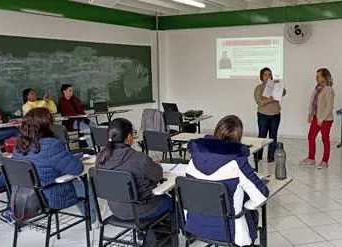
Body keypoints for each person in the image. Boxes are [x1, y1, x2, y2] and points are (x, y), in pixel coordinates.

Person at [185, 115, 269, 246]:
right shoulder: (238, 162)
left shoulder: (193, 160)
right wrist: (243, 207)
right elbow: (261, 196)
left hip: (195, 225)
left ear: (216, 131)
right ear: (239, 137)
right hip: (229, 231)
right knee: (251, 212)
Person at [12, 108, 94, 220]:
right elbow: (77, 169)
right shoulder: (51, 145)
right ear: (46, 125)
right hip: (51, 197)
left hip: (26, 197)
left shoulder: (19, 146)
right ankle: (94, 220)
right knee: (86, 185)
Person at [95, 118, 171, 221]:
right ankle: (184, 233)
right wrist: (152, 164)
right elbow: (158, 175)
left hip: (116, 209)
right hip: (141, 210)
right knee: (169, 201)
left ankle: (155, 233)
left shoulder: (100, 157)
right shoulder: (139, 158)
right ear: (129, 137)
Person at [302, 68, 335, 169]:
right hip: (316, 117)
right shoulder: (317, 88)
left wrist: (322, 119)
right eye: (316, 76)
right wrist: (310, 114)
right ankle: (311, 158)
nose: (316, 77)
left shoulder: (328, 89)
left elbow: (329, 107)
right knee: (311, 137)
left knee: (325, 139)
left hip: (326, 119)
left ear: (325, 77)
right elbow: (314, 103)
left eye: (319, 76)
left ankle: (325, 161)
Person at [254, 67, 286, 163]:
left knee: (273, 136)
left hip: (275, 114)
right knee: (262, 136)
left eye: (269, 74)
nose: (268, 76)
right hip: (263, 115)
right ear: (262, 77)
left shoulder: (275, 86)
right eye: (265, 75)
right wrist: (271, 99)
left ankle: (271, 157)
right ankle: (258, 156)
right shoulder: (259, 88)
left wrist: (279, 85)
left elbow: (283, 93)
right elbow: (260, 102)